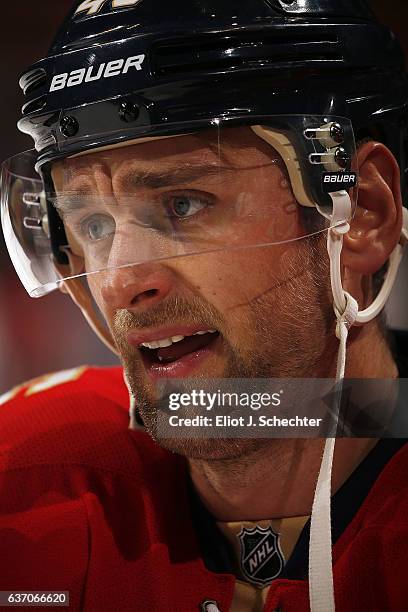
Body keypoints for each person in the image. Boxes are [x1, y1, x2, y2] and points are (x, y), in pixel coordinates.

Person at [1, 1, 408, 610]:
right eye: (89, 223)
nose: (118, 281)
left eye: (184, 205)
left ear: (361, 217)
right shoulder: (28, 476)